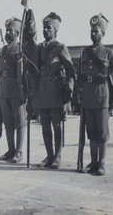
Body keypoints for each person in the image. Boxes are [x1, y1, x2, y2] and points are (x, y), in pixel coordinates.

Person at [78, 13, 113, 175]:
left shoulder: (109, 53)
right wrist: (80, 93)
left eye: (96, 31)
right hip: (88, 97)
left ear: (103, 34)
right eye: (92, 31)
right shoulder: (85, 52)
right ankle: (93, 162)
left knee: (102, 132)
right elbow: (80, 76)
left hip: (103, 97)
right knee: (91, 132)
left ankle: (102, 164)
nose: (93, 34)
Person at [35, 12, 75, 169]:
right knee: (45, 126)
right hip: (41, 92)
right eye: (44, 28)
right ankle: (49, 155)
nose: (45, 31)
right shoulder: (38, 49)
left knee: (57, 126)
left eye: (49, 28)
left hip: (55, 92)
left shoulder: (60, 47)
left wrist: (68, 89)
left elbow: (70, 71)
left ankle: (57, 157)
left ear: (55, 31)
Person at [0, 16, 27, 163]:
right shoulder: (3, 49)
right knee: (7, 122)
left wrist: (23, 90)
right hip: (4, 90)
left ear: (17, 32)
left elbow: (23, 72)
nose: (8, 33)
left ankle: (19, 152)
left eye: (11, 31)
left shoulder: (20, 48)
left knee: (20, 122)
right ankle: (11, 150)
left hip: (16, 90)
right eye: (7, 31)